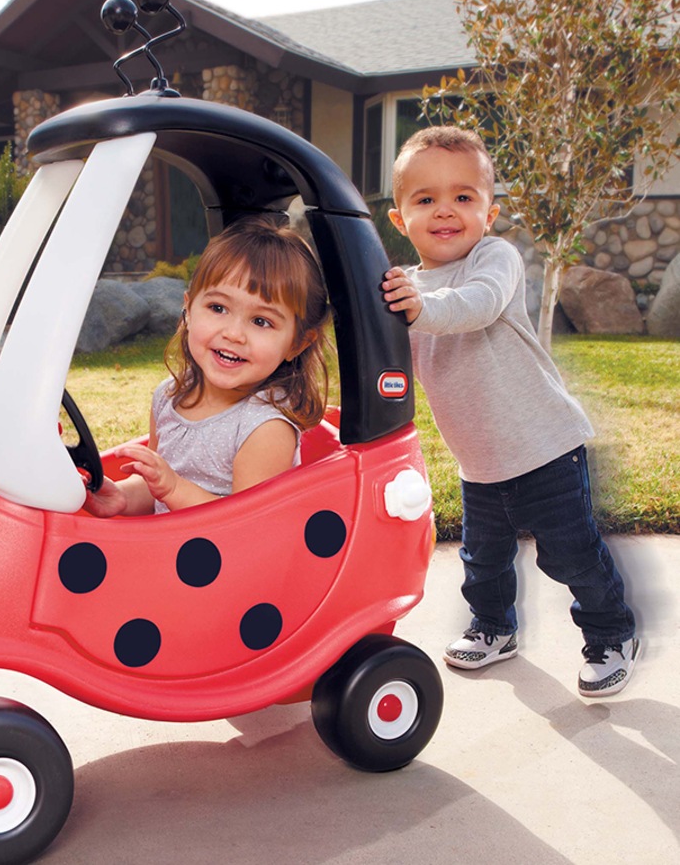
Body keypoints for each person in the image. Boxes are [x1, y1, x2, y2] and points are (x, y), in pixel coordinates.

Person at [380, 125, 638, 698]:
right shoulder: (405, 290)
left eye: (463, 196)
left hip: (545, 447)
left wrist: (419, 308)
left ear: (489, 213)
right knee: (483, 560)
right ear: (400, 219)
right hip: (480, 460)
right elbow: (389, 359)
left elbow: (476, 305)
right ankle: (494, 628)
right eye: (425, 199)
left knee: (572, 556)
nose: (445, 210)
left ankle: (611, 633)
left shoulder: (494, 259)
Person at [84, 214, 331, 518]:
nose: (234, 334)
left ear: (297, 343)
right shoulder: (168, 397)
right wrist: (122, 496)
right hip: (169, 543)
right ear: (188, 309)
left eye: (261, 321)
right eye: (218, 308)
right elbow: (156, 489)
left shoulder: (265, 427)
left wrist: (175, 489)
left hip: (226, 549)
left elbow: (248, 526)